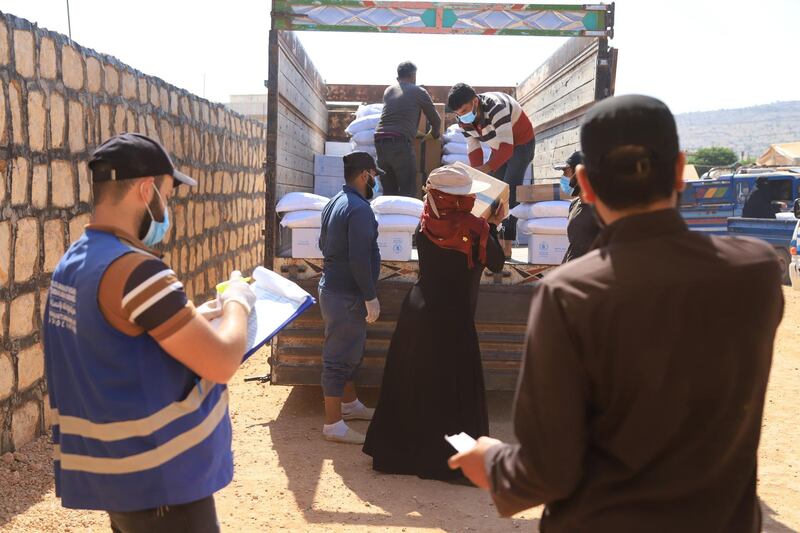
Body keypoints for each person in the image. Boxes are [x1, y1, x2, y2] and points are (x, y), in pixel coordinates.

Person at [448, 95, 784, 532]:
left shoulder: (569, 294)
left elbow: (545, 472)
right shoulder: (755, 273)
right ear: (680, 168)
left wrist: (490, 461)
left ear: (584, 185)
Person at [43, 133, 257, 532]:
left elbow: (116, 335)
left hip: (120, 478)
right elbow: (223, 360)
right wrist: (237, 302)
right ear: (146, 190)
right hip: (161, 480)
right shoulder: (138, 271)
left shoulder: (74, 262)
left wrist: (197, 314)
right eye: (168, 194)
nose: (168, 207)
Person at [363, 164, 507, 481]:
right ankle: (448, 463)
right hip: (453, 319)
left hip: (418, 311)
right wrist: (494, 225)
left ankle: (400, 456)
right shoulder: (476, 228)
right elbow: (496, 263)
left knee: (413, 384)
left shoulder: (425, 222)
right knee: (450, 392)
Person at [318, 151, 383, 444]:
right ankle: (333, 425)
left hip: (334, 288)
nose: (375, 182)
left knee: (349, 351)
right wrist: (370, 295)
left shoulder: (334, 203)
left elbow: (322, 243)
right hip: (347, 294)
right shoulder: (359, 209)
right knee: (338, 358)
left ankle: (350, 404)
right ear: (364, 175)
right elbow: (359, 257)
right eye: (374, 176)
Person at [447, 83, 535, 258]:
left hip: (521, 143)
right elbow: (474, 148)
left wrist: (486, 168)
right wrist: (477, 176)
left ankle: (507, 246)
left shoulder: (496, 107)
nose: (462, 116)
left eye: (465, 110)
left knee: (509, 189)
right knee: (490, 191)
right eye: (459, 114)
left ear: (475, 101)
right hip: (500, 146)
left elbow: (508, 149)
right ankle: (491, 241)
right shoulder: (462, 120)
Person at [374, 61, 442, 197]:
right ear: (413, 76)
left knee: (389, 192)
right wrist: (434, 134)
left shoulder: (389, 90)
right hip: (399, 143)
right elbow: (436, 119)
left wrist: (412, 131)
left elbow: (395, 115)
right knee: (408, 191)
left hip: (380, 141)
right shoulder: (419, 91)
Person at [556, 151, 601, 262]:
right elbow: (574, 245)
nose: (563, 177)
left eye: (566, 172)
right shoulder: (574, 205)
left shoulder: (600, 209)